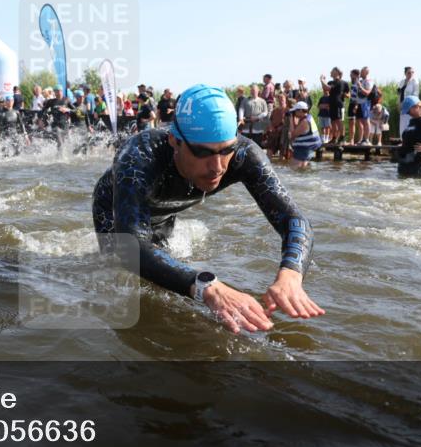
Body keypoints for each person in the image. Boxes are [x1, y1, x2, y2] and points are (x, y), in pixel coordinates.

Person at [92, 84, 323, 334]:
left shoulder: (244, 155)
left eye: (227, 150)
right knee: (122, 275)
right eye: (204, 153)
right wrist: (207, 287)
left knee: (165, 266)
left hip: (166, 210)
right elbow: (130, 247)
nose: (218, 167)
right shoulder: (139, 155)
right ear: (174, 141)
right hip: (115, 207)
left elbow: (295, 220)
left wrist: (291, 273)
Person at [288, 101, 322, 168]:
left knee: (293, 168)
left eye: (295, 111)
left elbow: (293, 134)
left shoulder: (304, 122)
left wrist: (291, 119)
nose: (294, 113)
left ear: (300, 111)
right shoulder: (308, 118)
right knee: (302, 169)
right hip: (307, 147)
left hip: (304, 148)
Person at [321, 68, 349, 144]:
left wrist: (322, 80)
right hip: (332, 103)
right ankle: (334, 137)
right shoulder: (330, 82)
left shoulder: (340, 82)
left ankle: (342, 137)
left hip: (338, 104)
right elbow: (325, 89)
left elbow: (348, 94)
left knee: (339, 121)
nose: (330, 72)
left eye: (332, 71)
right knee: (333, 121)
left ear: (337, 72)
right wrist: (323, 82)